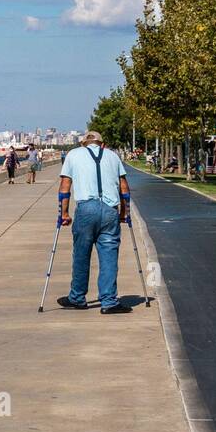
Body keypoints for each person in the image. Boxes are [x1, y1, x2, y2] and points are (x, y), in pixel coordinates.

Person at [55, 131, 132, 314]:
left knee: (81, 254)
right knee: (109, 255)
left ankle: (77, 297)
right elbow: (124, 189)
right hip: (109, 210)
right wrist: (124, 213)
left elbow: (65, 187)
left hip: (86, 209)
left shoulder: (73, 154)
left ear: (84, 144)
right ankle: (109, 301)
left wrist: (63, 213)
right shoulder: (113, 156)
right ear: (102, 144)